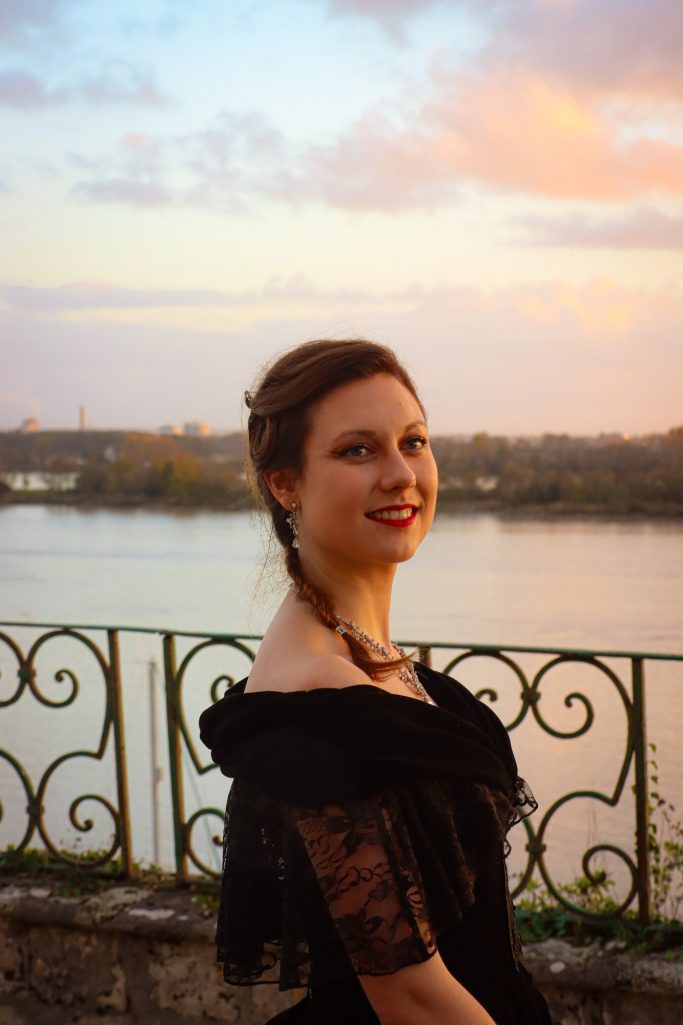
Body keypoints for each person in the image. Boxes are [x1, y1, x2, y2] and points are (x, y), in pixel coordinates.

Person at [199, 338, 552, 1025]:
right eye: (357, 450)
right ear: (285, 483)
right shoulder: (317, 691)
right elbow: (410, 999)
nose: (400, 474)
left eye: (412, 442)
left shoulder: (360, 652)